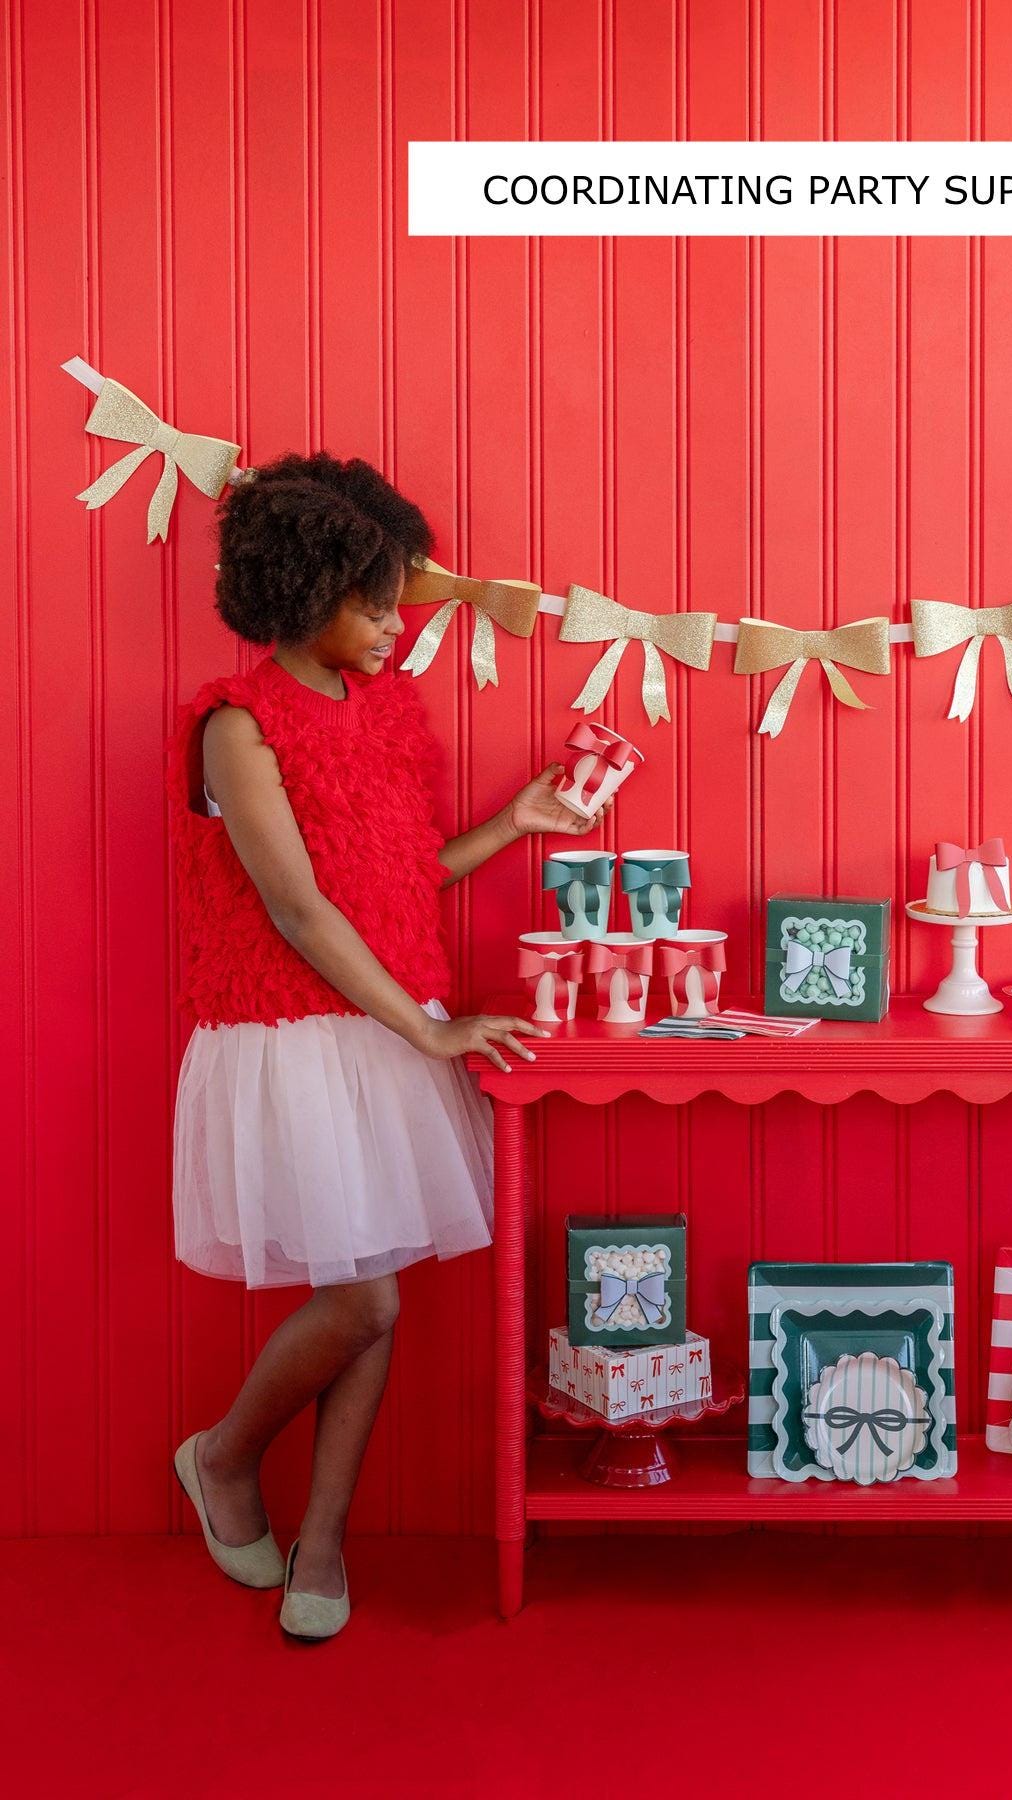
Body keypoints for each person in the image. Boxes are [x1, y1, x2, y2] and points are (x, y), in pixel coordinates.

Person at [166, 452, 604, 1639]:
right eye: (372, 605)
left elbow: (396, 882)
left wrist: (511, 822)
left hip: (381, 1029)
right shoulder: (237, 727)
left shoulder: (389, 712)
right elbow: (300, 911)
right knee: (365, 1299)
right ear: (305, 593)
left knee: (373, 1295)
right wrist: (432, 1029)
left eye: (396, 601)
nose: (394, 626)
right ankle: (223, 1456)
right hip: (293, 1036)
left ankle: (321, 1541)